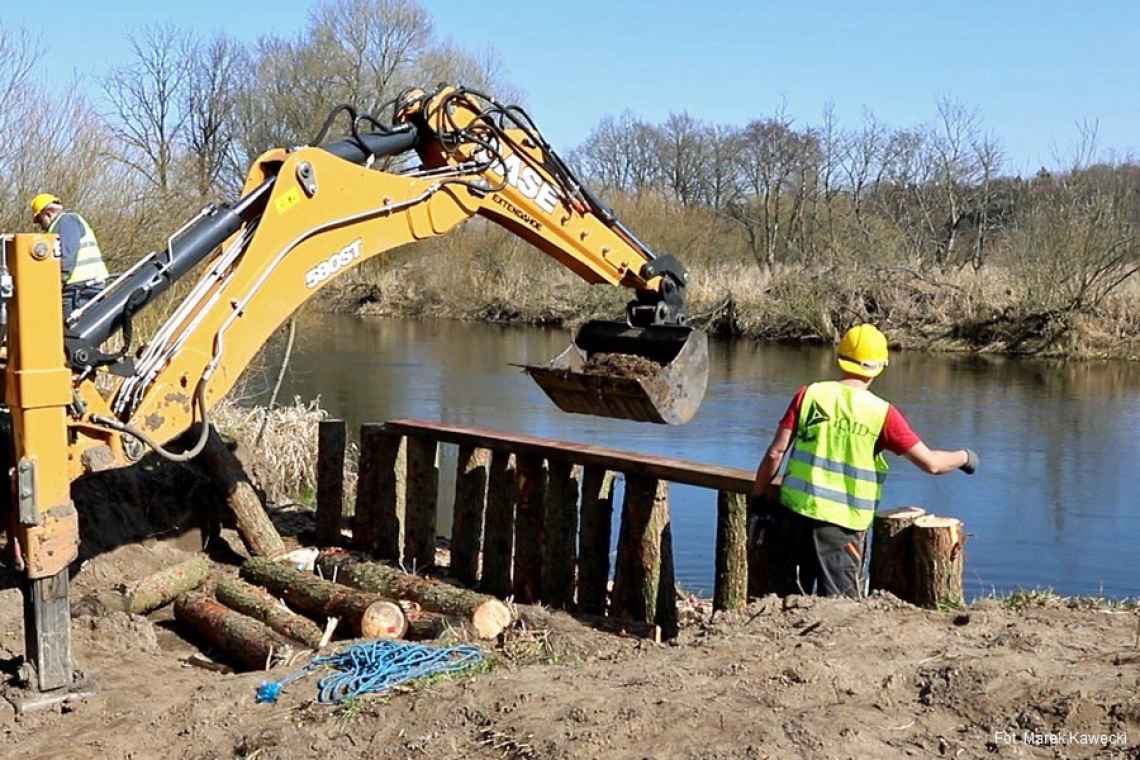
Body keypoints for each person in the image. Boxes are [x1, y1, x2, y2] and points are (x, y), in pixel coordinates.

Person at [752, 323, 978, 598]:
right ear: (880, 366)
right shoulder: (882, 413)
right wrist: (965, 457)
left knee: (787, 598)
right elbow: (931, 463)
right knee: (839, 607)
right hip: (841, 526)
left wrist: (759, 497)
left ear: (840, 356)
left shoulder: (809, 394)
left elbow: (776, 453)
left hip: (793, 515)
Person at [29, 193, 110, 317]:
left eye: (39, 220)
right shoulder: (63, 224)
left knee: (72, 330)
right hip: (82, 287)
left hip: (82, 289)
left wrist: (57, 282)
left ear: (48, 213)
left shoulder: (66, 221)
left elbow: (68, 256)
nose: (40, 225)